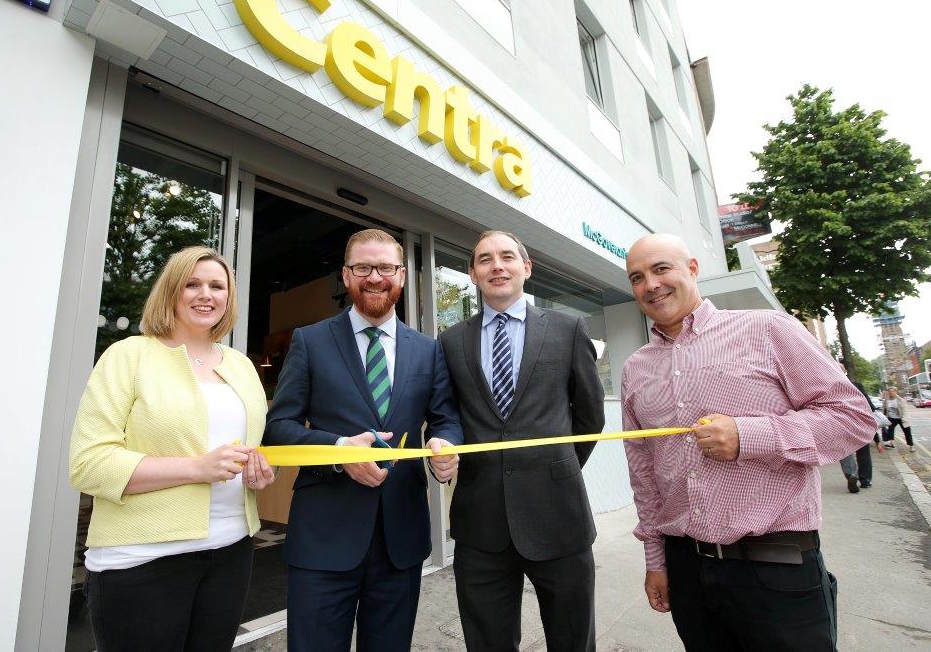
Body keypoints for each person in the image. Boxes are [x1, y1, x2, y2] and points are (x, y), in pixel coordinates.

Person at [621, 233, 876, 651]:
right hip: (687, 570)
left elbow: (853, 418)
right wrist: (656, 561)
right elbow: (644, 475)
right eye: (637, 277)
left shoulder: (767, 329)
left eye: (661, 269)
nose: (650, 284)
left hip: (776, 567)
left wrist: (749, 436)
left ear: (692, 269)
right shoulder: (636, 368)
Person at [263, 228, 462, 652]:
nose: (375, 277)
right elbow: (278, 429)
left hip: (400, 540)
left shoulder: (428, 350)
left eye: (385, 268)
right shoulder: (310, 341)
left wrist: (445, 448)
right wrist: (338, 450)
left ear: (402, 275)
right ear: (346, 275)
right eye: (363, 268)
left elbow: (445, 420)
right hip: (323, 538)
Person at [69, 246, 273, 651]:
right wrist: (196, 468)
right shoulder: (128, 356)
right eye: (192, 284)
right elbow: (88, 464)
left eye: (217, 286)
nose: (206, 294)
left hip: (232, 552)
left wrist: (259, 472)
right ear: (170, 291)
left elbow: (248, 451)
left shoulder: (241, 366)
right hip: (142, 559)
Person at [438, 230, 605, 651]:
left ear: (526, 268)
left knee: (572, 641)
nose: (497, 266)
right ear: (473, 274)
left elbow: (590, 417)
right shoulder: (451, 341)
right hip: (480, 524)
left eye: (507, 257)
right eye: (485, 259)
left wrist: (557, 468)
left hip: (558, 515)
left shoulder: (568, 328)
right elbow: (446, 417)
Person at [837, 361, 881, 492]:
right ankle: (865, 480)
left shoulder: (830, 386)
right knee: (863, 452)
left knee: (845, 450)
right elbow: (868, 404)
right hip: (859, 422)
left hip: (841, 423)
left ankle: (851, 474)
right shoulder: (856, 385)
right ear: (845, 372)